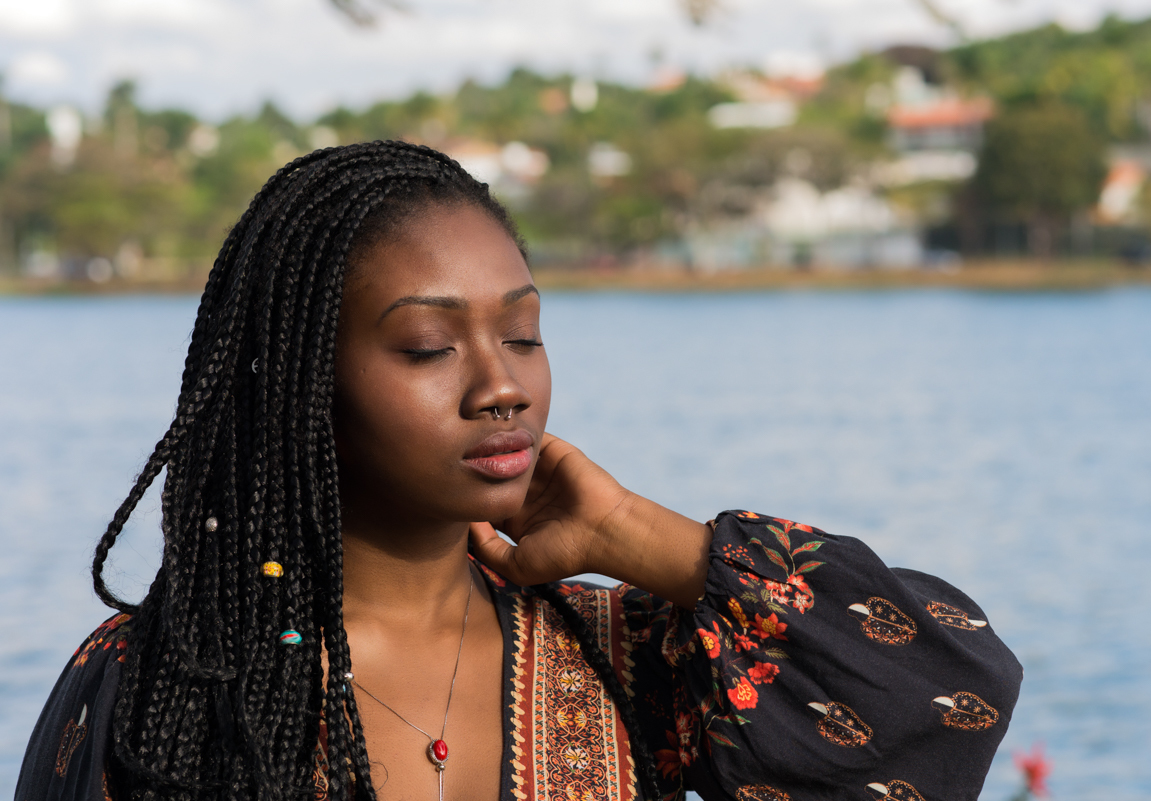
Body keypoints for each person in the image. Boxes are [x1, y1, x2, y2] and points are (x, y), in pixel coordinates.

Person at [16, 141, 1021, 801]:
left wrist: (647, 539)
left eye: (526, 333)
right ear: (297, 383)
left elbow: (945, 698)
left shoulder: (618, 659)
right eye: (427, 345)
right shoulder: (172, 679)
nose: (502, 385)